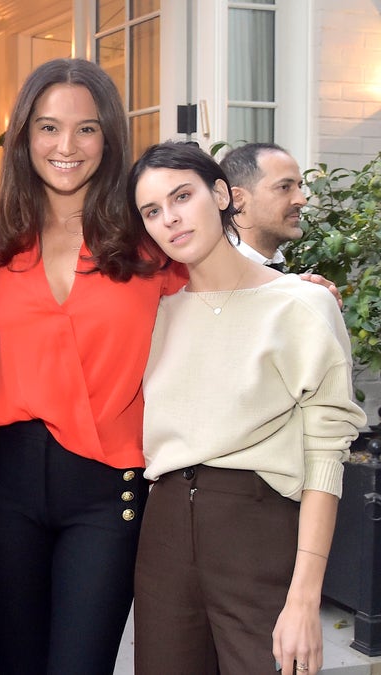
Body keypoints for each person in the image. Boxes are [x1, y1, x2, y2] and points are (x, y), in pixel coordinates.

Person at [0, 58, 186, 674]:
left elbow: (219, 289)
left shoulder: (148, 236)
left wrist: (286, 290)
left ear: (109, 138)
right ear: (25, 136)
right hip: (5, 478)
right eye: (48, 127)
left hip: (107, 486)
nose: (66, 146)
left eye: (85, 129)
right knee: (20, 663)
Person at [130, 141, 365, 675]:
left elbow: (326, 454)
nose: (170, 219)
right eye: (151, 211)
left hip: (258, 527)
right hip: (164, 529)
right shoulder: (154, 312)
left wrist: (305, 598)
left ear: (220, 195)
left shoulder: (303, 304)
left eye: (182, 196)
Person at [220, 142, 308, 267]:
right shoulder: (217, 276)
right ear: (237, 198)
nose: (302, 200)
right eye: (284, 187)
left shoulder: (273, 267)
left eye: (299, 186)